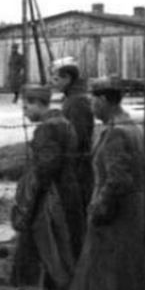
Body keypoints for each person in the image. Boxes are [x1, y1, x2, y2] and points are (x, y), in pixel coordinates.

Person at [51, 76, 145, 290]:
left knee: (116, 273)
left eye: (94, 99)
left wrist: (98, 208)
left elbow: (117, 179)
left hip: (117, 215)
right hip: (127, 212)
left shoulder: (117, 132)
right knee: (107, 274)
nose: (91, 105)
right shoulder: (128, 126)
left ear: (105, 100)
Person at [11, 84, 85, 290]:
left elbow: (46, 168)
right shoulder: (65, 123)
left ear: (39, 104)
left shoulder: (47, 129)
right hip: (69, 192)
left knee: (54, 251)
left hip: (53, 198)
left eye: (26, 105)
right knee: (62, 251)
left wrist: (30, 200)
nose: (24, 111)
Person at [51, 57, 94, 211]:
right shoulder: (72, 98)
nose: (52, 81)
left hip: (77, 165)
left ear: (67, 78)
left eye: (56, 78)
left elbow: (79, 136)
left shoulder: (77, 102)